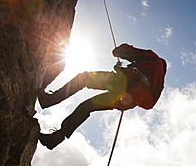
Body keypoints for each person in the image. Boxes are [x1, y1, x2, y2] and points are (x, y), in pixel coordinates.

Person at [38, 44, 167, 149]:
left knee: (83, 79)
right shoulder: (159, 83)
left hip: (122, 80)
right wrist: (133, 97)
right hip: (128, 99)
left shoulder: (154, 59)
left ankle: (50, 100)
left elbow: (125, 51)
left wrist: (119, 51)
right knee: (86, 107)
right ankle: (55, 139)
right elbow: (149, 105)